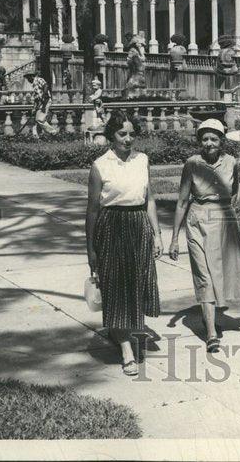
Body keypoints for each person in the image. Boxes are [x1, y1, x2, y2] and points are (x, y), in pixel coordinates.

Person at [85, 110, 162, 376]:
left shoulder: (143, 160)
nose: (128, 139)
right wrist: (91, 249)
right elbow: (93, 210)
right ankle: (127, 349)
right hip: (111, 226)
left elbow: (149, 198)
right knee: (116, 288)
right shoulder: (100, 165)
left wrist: (157, 234)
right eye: (122, 134)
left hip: (138, 224)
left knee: (137, 283)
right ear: (111, 136)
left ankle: (125, 332)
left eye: (132, 134)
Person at [169, 119, 240, 353]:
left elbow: (234, 193)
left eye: (214, 139)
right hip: (197, 221)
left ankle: (210, 315)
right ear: (199, 141)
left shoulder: (232, 163)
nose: (209, 143)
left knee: (219, 274)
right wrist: (174, 238)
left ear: (222, 141)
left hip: (224, 221)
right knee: (203, 275)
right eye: (204, 139)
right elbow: (182, 201)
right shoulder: (192, 164)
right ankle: (211, 333)